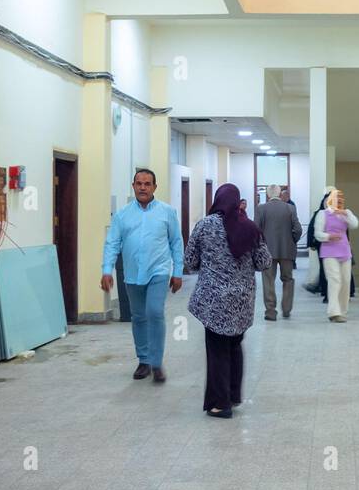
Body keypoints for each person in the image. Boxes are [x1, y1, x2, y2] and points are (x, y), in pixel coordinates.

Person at [184, 183, 271, 420]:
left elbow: (190, 261)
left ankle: (220, 404)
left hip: (213, 300)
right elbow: (264, 262)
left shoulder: (204, 226)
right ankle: (233, 396)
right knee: (234, 344)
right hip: (241, 300)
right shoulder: (249, 228)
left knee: (217, 349)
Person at [101, 168, 184, 383]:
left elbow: (176, 242)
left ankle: (156, 363)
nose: (143, 187)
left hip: (158, 271)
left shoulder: (167, 212)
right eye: (139, 183)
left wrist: (177, 272)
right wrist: (106, 270)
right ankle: (144, 360)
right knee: (138, 317)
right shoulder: (122, 215)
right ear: (133, 186)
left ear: (155, 187)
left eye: (147, 184)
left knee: (154, 312)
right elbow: (112, 243)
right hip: (132, 273)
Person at [254, 185, 302, 321]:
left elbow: (255, 230)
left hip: (267, 251)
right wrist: (292, 241)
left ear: (268, 195)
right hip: (287, 250)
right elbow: (298, 229)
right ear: (280, 194)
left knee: (268, 280)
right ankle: (286, 309)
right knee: (288, 279)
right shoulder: (290, 208)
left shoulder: (261, 209)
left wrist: (260, 246)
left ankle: (270, 311)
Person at [313, 186, 358, 322]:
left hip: (345, 251)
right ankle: (334, 312)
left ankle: (342, 311)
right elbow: (317, 233)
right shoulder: (322, 214)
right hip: (329, 252)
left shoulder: (346, 212)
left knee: (345, 281)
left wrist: (346, 215)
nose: (339, 201)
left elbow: (355, 224)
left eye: (341, 199)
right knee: (334, 280)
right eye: (336, 199)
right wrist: (328, 237)